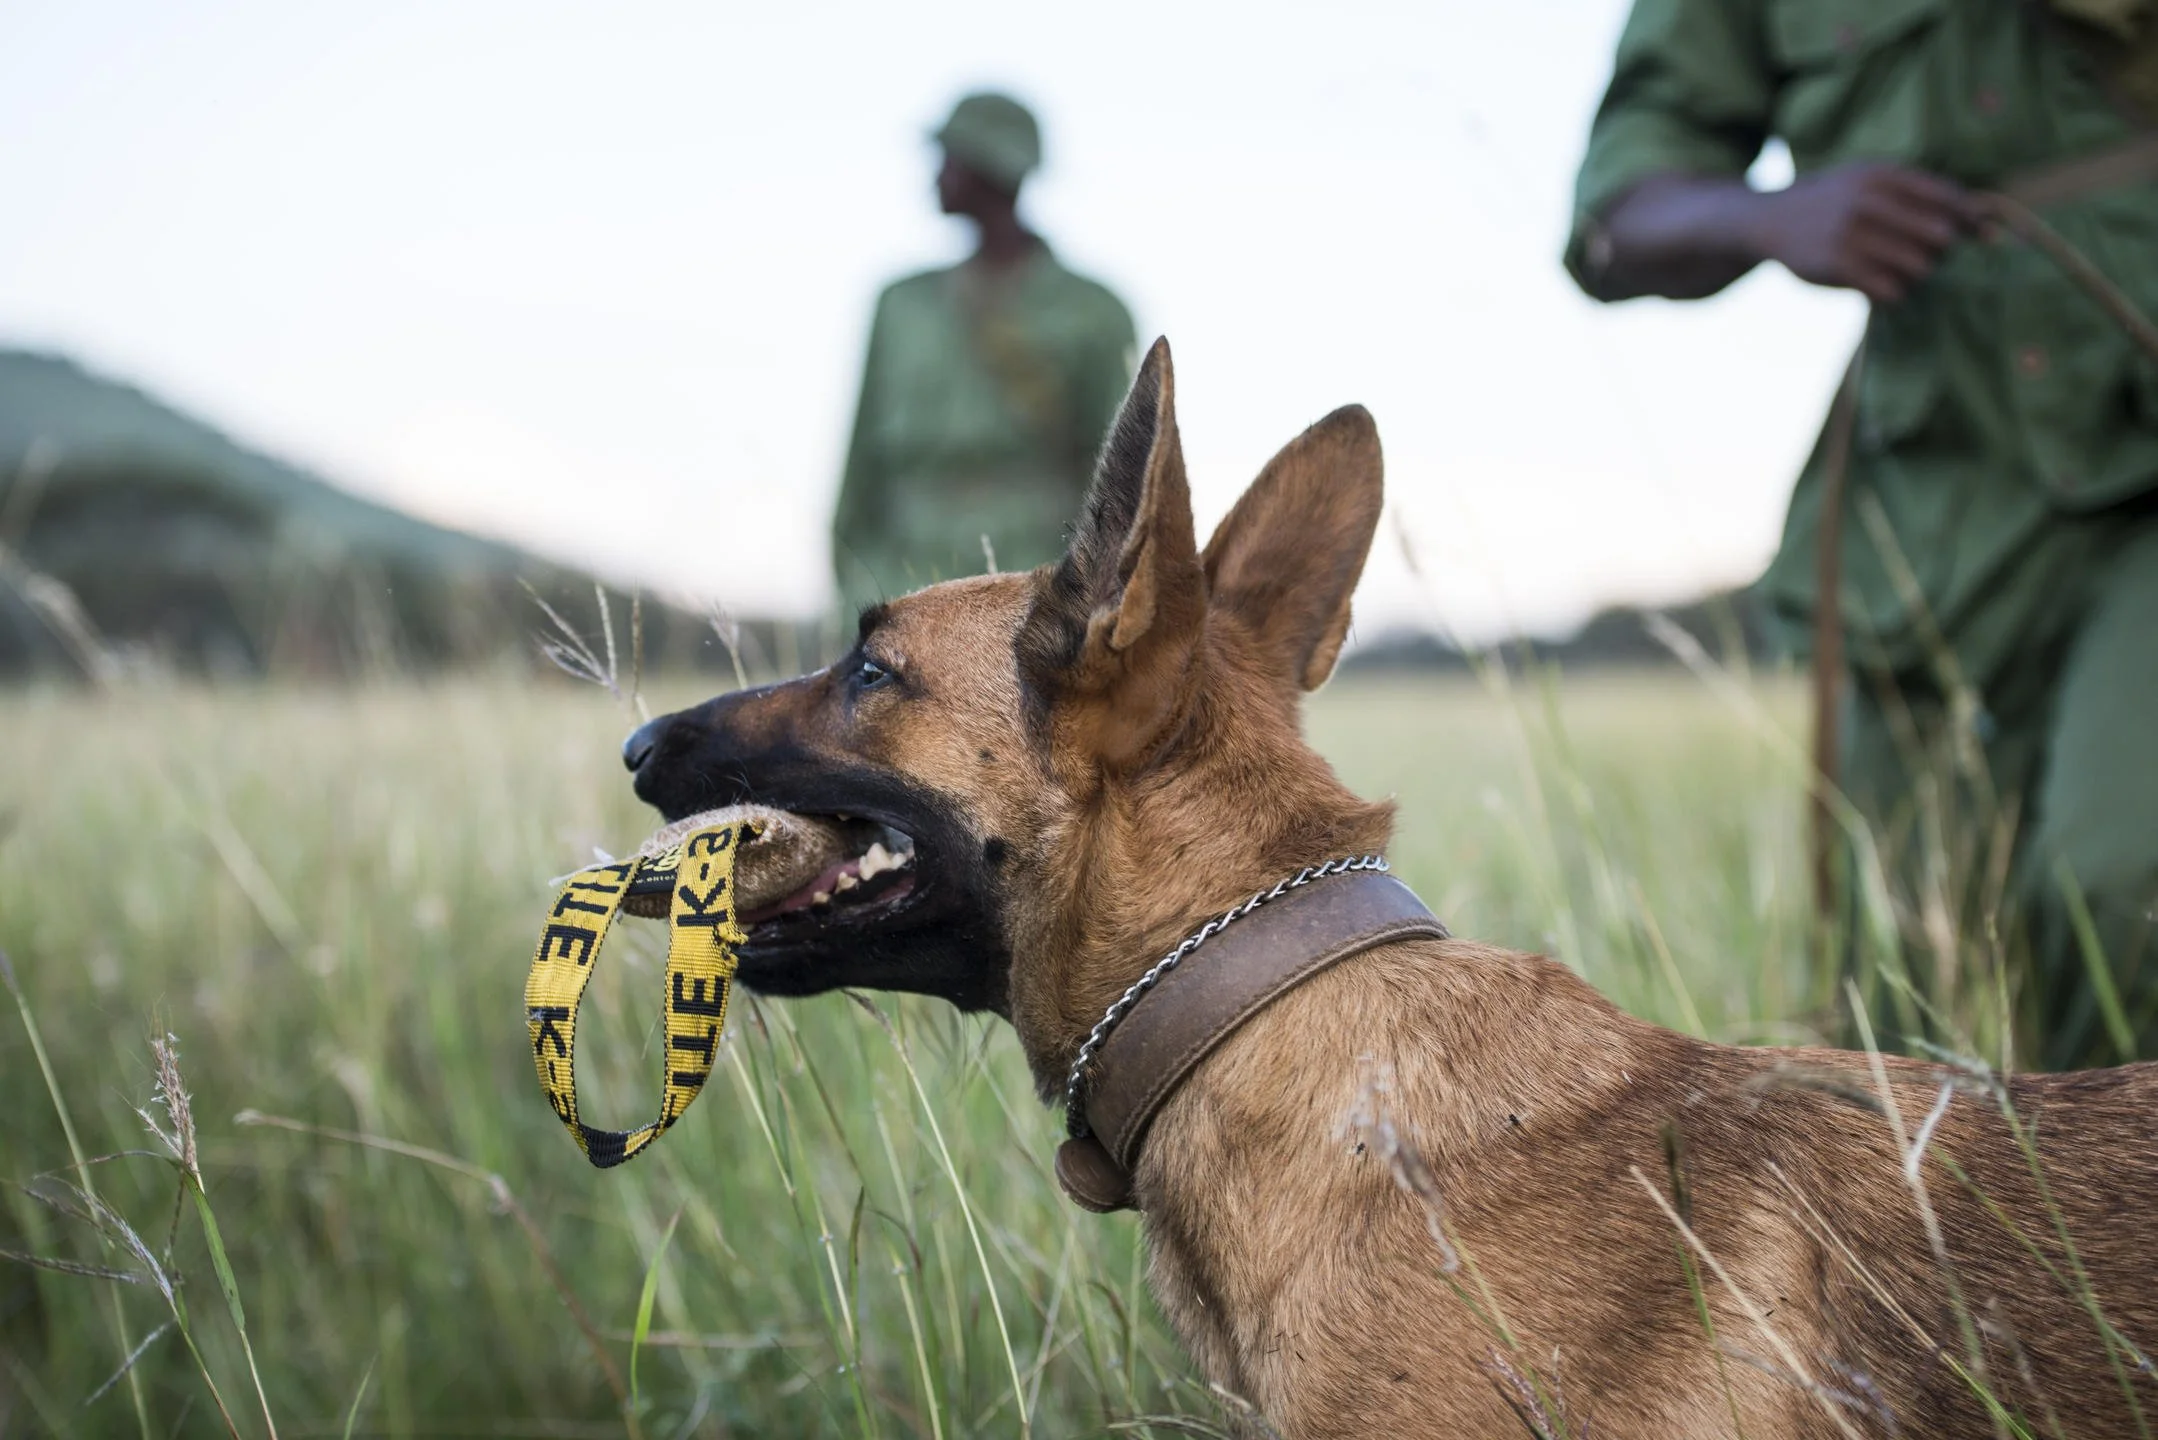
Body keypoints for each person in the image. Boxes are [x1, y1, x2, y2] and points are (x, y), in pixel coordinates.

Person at [1567, 0, 2158, 1068]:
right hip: (1927, 499)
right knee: (1893, 997)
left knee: (2121, 890)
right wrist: (1768, 216)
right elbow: (1616, 215)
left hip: (2141, 453)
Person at [833, 91, 1137, 611]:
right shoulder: (901, 305)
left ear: (991, 167)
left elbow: (1122, 481)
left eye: (951, 159)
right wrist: (856, 583)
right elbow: (861, 466)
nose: (936, 175)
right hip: (901, 569)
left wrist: (1086, 603)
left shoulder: (1093, 312)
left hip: (1034, 577)